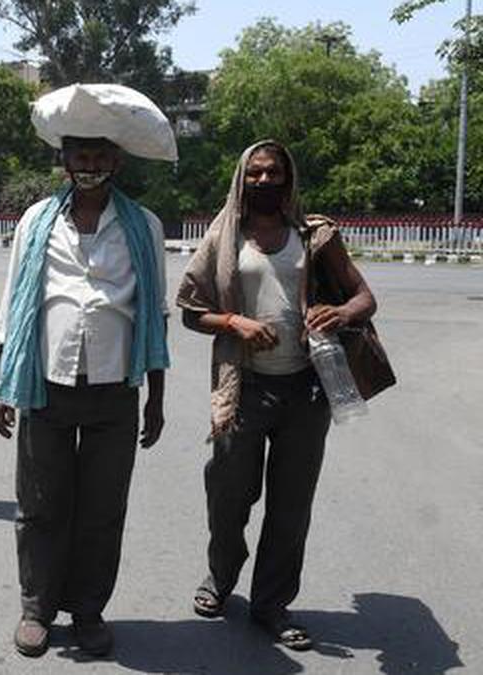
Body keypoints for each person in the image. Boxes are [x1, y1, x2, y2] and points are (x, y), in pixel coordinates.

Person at [0, 83, 174, 658]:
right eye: (81, 156)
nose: (90, 166)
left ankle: (89, 609)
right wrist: (5, 384)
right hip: (46, 385)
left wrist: (157, 397)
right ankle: (36, 608)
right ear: (65, 160)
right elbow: (14, 304)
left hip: (116, 389)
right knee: (42, 503)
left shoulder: (143, 225)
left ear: (116, 161)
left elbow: (156, 313)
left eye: (100, 157)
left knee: (101, 510)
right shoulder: (36, 221)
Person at [176, 140, 378, 652]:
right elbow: (187, 309)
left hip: (306, 391)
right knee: (227, 495)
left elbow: (364, 296)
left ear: (290, 181)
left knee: (291, 507)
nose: (266, 182)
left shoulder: (313, 235)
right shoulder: (223, 235)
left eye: (276, 174)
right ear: (242, 179)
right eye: (256, 174)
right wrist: (234, 321)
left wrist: (342, 314)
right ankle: (221, 578)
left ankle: (271, 603)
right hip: (243, 389)